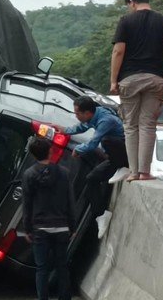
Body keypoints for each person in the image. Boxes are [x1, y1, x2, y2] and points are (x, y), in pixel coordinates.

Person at [110, 0, 163, 181]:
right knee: (148, 125)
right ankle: (145, 172)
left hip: (129, 80)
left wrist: (114, 80)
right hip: (155, 78)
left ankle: (133, 172)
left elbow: (118, 51)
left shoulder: (125, 21)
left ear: (132, 2)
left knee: (131, 126)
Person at [53, 96, 127, 238]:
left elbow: (93, 143)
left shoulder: (105, 120)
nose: (76, 116)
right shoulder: (94, 115)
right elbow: (81, 127)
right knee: (91, 178)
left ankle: (124, 167)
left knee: (106, 141)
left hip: (124, 153)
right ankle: (101, 215)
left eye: (77, 113)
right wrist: (64, 130)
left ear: (87, 113)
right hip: (113, 157)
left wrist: (78, 149)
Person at [22, 137, 75, 300]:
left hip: (40, 228)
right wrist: (72, 227)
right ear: (50, 151)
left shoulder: (29, 174)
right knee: (62, 267)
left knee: (42, 269)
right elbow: (70, 202)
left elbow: (27, 204)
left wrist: (27, 228)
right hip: (61, 227)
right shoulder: (64, 173)